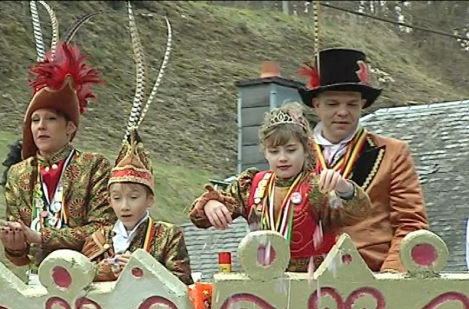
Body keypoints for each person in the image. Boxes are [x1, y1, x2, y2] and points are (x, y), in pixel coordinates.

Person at [189, 102, 371, 272]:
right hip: (263, 280)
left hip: (313, 285)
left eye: (291, 150)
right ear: (265, 153)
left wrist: (344, 188)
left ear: (307, 149)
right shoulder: (251, 185)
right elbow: (199, 219)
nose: (282, 158)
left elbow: (359, 214)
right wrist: (210, 204)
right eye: (274, 152)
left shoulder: (319, 187)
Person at [297, 48, 429, 272]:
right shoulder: (294, 154)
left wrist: (390, 277)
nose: (342, 112)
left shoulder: (392, 152)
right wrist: (214, 201)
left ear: (362, 105)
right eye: (332, 104)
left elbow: (410, 223)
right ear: (316, 105)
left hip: (372, 275)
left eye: (352, 104)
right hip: (304, 281)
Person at [0, 40, 116, 284]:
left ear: (70, 127)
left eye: (50, 119)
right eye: (35, 120)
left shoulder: (94, 166)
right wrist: (14, 245)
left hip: (89, 281)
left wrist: (40, 236)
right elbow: (20, 258)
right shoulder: (19, 175)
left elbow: (103, 229)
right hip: (37, 282)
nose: (40, 126)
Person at [80, 129, 193, 285]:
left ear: (150, 200)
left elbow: (183, 281)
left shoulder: (168, 236)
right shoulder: (98, 238)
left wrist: (143, 270)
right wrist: (108, 270)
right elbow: (80, 276)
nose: (125, 206)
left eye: (133, 197)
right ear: (109, 201)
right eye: (117, 198)